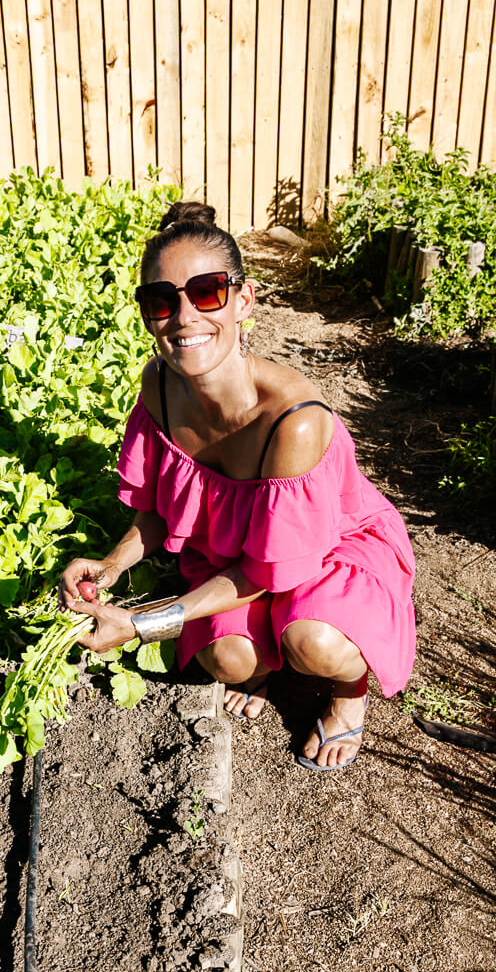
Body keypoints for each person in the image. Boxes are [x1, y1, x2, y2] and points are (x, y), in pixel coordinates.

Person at [58, 202, 416, 772]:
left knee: (315, 643)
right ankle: (265, 663)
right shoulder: (161, 382)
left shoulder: (293, 419)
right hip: (236, 557)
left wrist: (141, 624)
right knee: (229, 659)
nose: (182, 317)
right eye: (161, 300)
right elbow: (154, 512)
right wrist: (110, 565)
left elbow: (266, 570)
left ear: (243, 301)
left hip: (325, 550)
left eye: (206, 293)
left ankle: (349, 691)